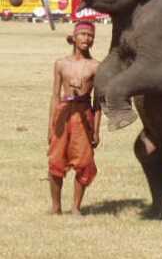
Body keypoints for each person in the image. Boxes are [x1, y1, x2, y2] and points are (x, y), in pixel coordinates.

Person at [47, 22, 101, 216]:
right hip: (63, 112)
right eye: (83, 34)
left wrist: (96, 130)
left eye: (90, 35)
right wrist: (50, 125)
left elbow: (98, 102)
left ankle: (76, 208)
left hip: (84, 114)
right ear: (75, 37)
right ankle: (56, 207)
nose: (87, 39)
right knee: (55, 160)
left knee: (84, 162)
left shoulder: (96, 66)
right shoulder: (61, 64)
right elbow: (54, 95)